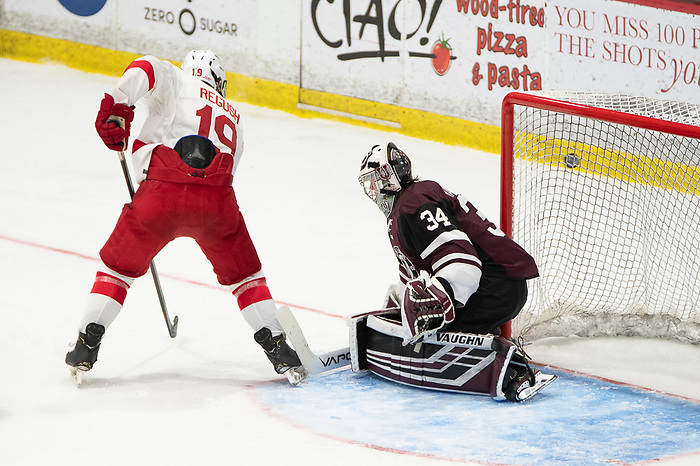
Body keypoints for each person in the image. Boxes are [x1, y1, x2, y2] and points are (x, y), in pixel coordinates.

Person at [65, 50, 305, 385]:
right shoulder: (234, 116)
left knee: (117, 269)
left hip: (162, 193)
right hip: (218, 204)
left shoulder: (178, 79)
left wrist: (119, 105)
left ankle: (86, 344)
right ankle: (279, 348)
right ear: (218, 80)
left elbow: (146, 66)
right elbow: (226, 174)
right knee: (246, 278)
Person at [355, 142, 554, 401]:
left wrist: (437, 301)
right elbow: (420, 269)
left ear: (388, 178)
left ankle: (515, 368)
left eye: (373, 181)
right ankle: (487, 339)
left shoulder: (414, 203)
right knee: (425, 325)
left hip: (497, 284)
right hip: (494, 282)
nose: (371, 190)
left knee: (435, 332)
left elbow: (462, 262)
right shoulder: (405, 208)